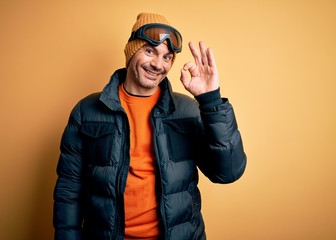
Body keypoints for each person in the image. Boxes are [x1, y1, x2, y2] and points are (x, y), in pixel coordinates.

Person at [53, 12, 247, 240]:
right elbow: (69, 191)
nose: (158, 64)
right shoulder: (87, 111)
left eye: (167, 57)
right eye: (149, 51)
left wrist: (211, 100)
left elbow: (228, 172)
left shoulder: (187, 110)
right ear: (131, 52)